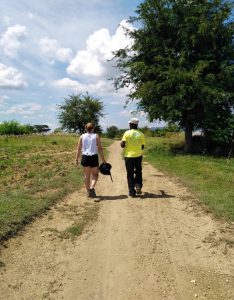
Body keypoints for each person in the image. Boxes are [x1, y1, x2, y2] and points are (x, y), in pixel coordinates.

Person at [75, 123, 106, 198]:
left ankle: (88, 192)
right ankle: (92, 187)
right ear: (93, 128)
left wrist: (76, 159)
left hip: (85, 157)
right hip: (94, 157)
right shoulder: (96, 136)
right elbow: (100, 148)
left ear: (85, 128)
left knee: (86, 176)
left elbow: (78, 149)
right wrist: (103, 160)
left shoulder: (82, 136)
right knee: (95, 175)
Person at [120, 118, 145, 197]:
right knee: (138, 171)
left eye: (129, 124)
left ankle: (132, 192)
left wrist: (122, 144)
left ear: (131, 124)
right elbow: (142, 146)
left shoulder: (127, 133)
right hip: (138, 156)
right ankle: (138, 185)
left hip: (128, 156)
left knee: (130, 174)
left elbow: (122, 145)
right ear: (137, 125)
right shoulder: (141, 134)